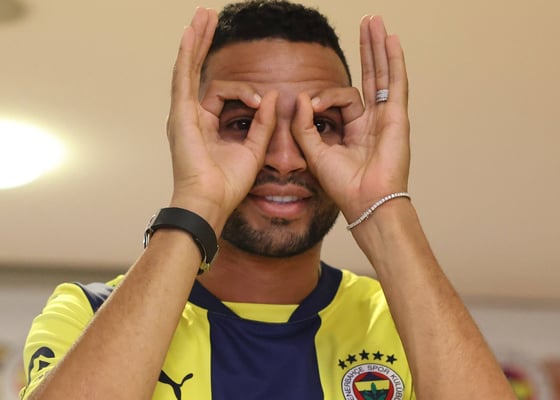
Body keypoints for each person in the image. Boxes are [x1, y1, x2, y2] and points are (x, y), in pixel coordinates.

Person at [20, 1, 515, 399]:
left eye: (320, 125)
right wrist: (197, 202)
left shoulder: (405, 319)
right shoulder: (88, 313)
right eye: (242, 123)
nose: (284, 158)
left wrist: (384, 204)